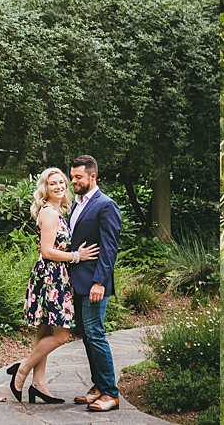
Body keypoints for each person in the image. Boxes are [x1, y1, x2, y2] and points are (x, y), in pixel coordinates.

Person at [6, 168, 99, 404]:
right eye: (52, 183)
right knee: (61, 335)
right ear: (44, 188)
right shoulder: (49, 213)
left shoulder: (58, 210)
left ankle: (39, 384)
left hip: (57, 275)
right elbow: (46, 251)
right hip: (51, 277)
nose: (58, 186)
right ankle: (23, 370)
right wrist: (77, 256)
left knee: (45, 331)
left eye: (61, 182)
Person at [65, 155, 122, 413]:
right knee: (87, 336)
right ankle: (98, 387)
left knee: (96, 334)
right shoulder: (77, 204)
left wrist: (100, 282)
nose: (73, 181)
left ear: (92, 176)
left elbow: (110, 248)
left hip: (95, 284)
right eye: (72, 176)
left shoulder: (105, 205)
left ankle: (111, 393)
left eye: (78, 177)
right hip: (78, 282)